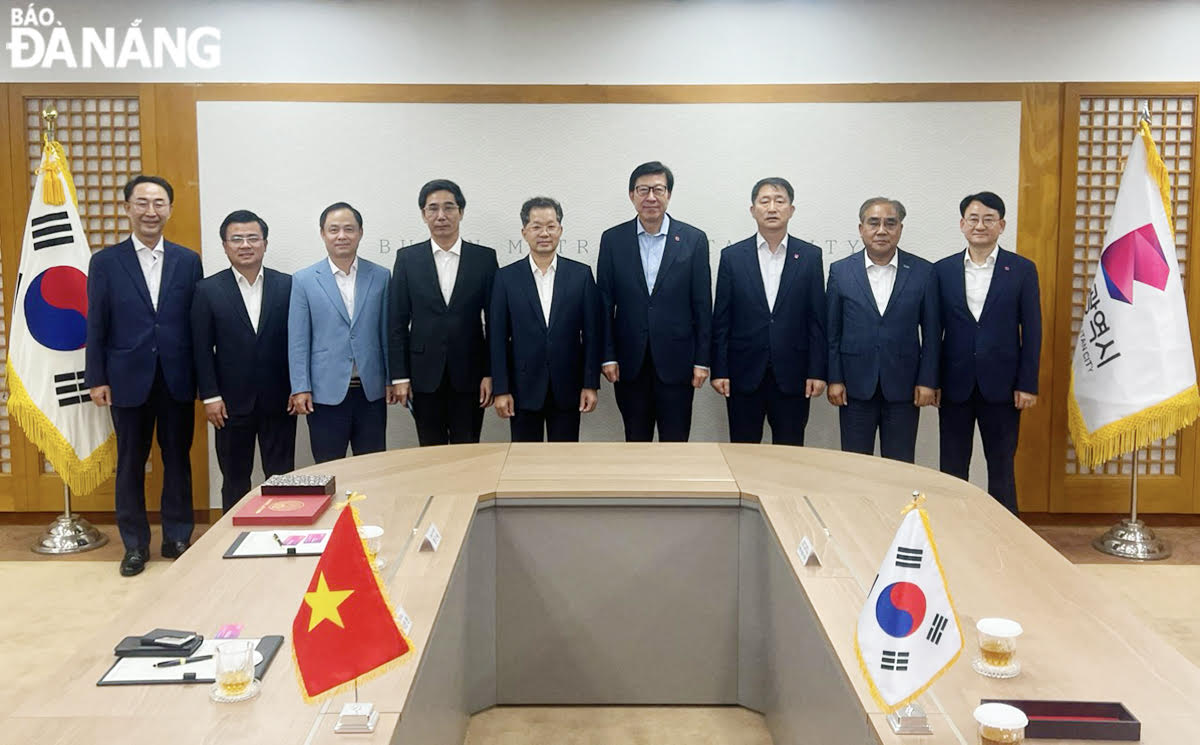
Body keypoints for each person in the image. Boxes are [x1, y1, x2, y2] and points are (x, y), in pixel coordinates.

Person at [85, 175, 202, 577]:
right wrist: (97, 377)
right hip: (125, 378)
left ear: (169, 208)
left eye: (158, 203)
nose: (150, 211)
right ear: (128, 208)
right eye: (142, 203)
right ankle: (134, 546)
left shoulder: (188, 261)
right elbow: (96, 324)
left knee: (177, 460)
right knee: (131, 463)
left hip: (176, 377)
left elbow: (194, 324)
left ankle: (177, 536)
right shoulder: (105, 262)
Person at [934, 191, 1041, 514]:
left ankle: (1005, 533)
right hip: (954, 384)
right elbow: (933, 330)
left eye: (988, 219)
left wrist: (1027, 384)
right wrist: (932, 380)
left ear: (1002, 225)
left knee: (1001, 466)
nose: (980, 225)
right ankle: (952, 525)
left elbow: (1033, 330)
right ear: (962, 224)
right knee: (952, 465)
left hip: (1004, 387)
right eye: (974, 218)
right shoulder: (942, 270)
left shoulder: (1022, 269)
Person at [597, 161, 711, 442]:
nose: (650, 197)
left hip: (678, 363)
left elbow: (702, 305)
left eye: (658, 190)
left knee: (676, 440)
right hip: (629, 363)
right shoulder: (613, 239)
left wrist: (702, 361)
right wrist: (607, 355)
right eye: (643, 190)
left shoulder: (693, 240)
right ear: (632, 195)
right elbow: (604, 303)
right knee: (636, 440)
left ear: (668, 195)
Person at [192, 210, 296, 513]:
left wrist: (299, 386)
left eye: (253, 238)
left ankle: (283, 530)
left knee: (282, 476)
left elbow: (298, 343)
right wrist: (210, 396)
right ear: (225, 245)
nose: (245, 245)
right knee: (235, 478)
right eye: (236, 239)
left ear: (264, 243)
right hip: (229, 404)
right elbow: (201, 349)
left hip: (280, 399)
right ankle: (232, 538)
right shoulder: (207, 290)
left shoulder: (288, 285)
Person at [711, 178, 827, 445]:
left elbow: (816, 320)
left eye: (779, 201)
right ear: (753, 210)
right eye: (764, 201)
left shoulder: (810, 256)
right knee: (744, 450)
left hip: (794, 375)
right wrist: (720, 370)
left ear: (791, 209)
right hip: (743, 373)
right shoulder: (732, 256)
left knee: (790, 452)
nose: (772, 208)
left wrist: (817, 371)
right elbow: (722, 319)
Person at [826, 197, 939, 463]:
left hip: (904, 387)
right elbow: (832, 332)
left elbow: (933, 334)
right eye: (873, 223)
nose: (881, 230)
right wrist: (834, 378)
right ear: (861, 228)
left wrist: (927, 381)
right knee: (855, 464)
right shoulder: (841, 271)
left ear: (900, 229)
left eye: (890, 223)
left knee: (900, 465)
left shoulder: (923, 271)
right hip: (854, 387)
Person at [388, 179, 498, 445]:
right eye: (433, 208)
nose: (441, 216)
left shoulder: (483, 258)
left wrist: (491, 372)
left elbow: (494, 323)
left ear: (461, 212)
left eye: (449, 208)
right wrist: (400, 376)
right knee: (430, 452)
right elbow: (396, 323)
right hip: (423, 376)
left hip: (471, 375)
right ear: (423, 214)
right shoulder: (407, 259)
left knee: (468, 449)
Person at [288, 202, 394, 463]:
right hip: (325, 395)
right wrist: (300, 387)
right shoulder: (304, 280)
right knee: (329, 468)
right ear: (323, 233)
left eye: (349, 229)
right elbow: (298, 340)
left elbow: (388, 333)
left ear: (360, 232)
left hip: (371, 393)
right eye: (334, 229)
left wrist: (391, 378)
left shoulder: (381, 276)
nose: (342, 235)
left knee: (372, 467)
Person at [490, 197, 601, 442]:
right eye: (536, 226)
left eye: (551, 226)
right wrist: (501, 389)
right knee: (525, 463)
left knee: (564, 463)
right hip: (522, 389)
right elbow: (496, 339)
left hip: (568, 387)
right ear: (524, 232)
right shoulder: (506, 278)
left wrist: (590, 384)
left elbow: (592, 334)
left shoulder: (580, 275)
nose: (544, 233)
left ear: (560, 230)